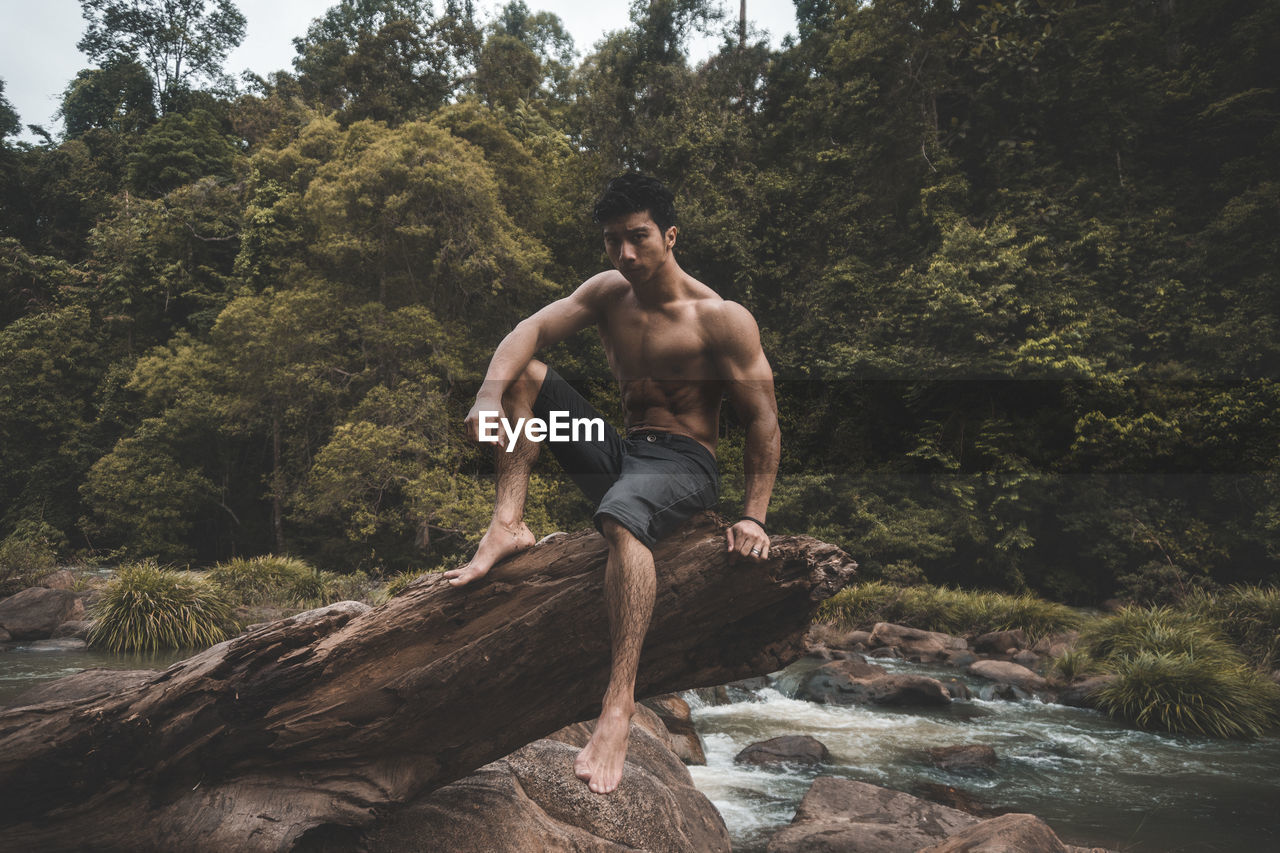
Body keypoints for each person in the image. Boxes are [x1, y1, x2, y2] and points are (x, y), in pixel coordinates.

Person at [445, 173, 780, 794]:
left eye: (638, 238)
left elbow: (763, 423)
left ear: (670, 236)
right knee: (527, 377)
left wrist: (753, 516)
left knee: (622, 517)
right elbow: (531, 330)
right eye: (612, 242)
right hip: (625, 451)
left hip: (685, 463)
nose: (625, 254)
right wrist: (488, 395)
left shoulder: (721, 319)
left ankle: (619, 704)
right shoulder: (608, 293)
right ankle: (507, 524)